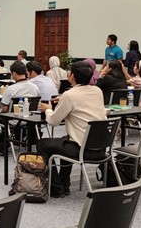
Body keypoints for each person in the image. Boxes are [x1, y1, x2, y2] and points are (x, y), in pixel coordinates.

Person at [37, 61, 106, 198]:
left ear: (72, 76)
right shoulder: (97, 90)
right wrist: (63, 98)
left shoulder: (70, 95)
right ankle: (64, 183)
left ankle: (57, 187)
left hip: (82, 149)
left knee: (42, 144)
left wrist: (48, 109)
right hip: (100, 148)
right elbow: (81, 98)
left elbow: (53, 121)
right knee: (65, 140)